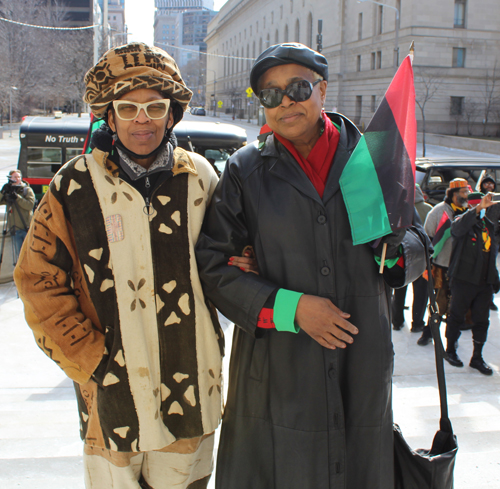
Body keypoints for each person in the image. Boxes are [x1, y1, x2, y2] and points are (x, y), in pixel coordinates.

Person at [14, 42, 253, 489]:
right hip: (111, 398)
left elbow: (231, 258)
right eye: (127, 108)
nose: (141, 119)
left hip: (192, 389)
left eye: (154, 107)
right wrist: (89, 359)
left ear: (171, 113)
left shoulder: (201, 176)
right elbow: (36, 280)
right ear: (109, 115)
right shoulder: (73, 184)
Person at [196, 43, 427, 489]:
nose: (285, 101)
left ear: (322, 89)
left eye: (298, 88)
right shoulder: (245, 170)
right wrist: (292, 308)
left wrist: (397, 251)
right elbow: (214, 265)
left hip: (360, 358)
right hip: (278, 366)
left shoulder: (373, 160)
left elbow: (419, 239)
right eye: (270, 94)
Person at [445, 191, 499, 375]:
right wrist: (477, 209)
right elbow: (456, 230)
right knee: (456, 317)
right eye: (480, 206)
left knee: (482, 321)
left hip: (484, 283)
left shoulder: (489, 226)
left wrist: (495, 279)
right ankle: (450, 350)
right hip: (463, 280)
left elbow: (491, 255)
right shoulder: (462, 222)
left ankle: (477, 357)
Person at [418, 178, 470, 346]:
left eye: (467, 191)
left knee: (456, 305)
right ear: (454, 194)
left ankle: (451, 339)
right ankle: (429, 332)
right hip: (442, 265)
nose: (466, 194)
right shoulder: (439, 211)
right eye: (463, 191)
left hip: (462, 267)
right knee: (439, 302)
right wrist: (429, 264)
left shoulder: (469, 211)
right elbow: (428, 237)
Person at [392, 183, 433, 332]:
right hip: (421, 257)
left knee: (400, 290)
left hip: (402, 256)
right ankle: (417, 323)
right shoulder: (428, 208)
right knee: (421, 293)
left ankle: (397, 321)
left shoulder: (398, 208)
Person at [0, 170, 35, 260]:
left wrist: (17, 198)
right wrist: (2, 192)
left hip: (26, 228)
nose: (17, 179)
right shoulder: (8, 192)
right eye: (15, 177)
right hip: (14, 229)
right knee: (20, 258)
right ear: (10, 179)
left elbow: (29, 205)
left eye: (19, 177)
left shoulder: (26, 190)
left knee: (30, 256)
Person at [479, 175, 500, 311]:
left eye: (491, 184)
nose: (489, 186)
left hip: (493, 239)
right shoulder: (477, 199)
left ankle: (490, 298)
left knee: (491, 267)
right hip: (477, 238)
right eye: (486, 184)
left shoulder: (497, 201)